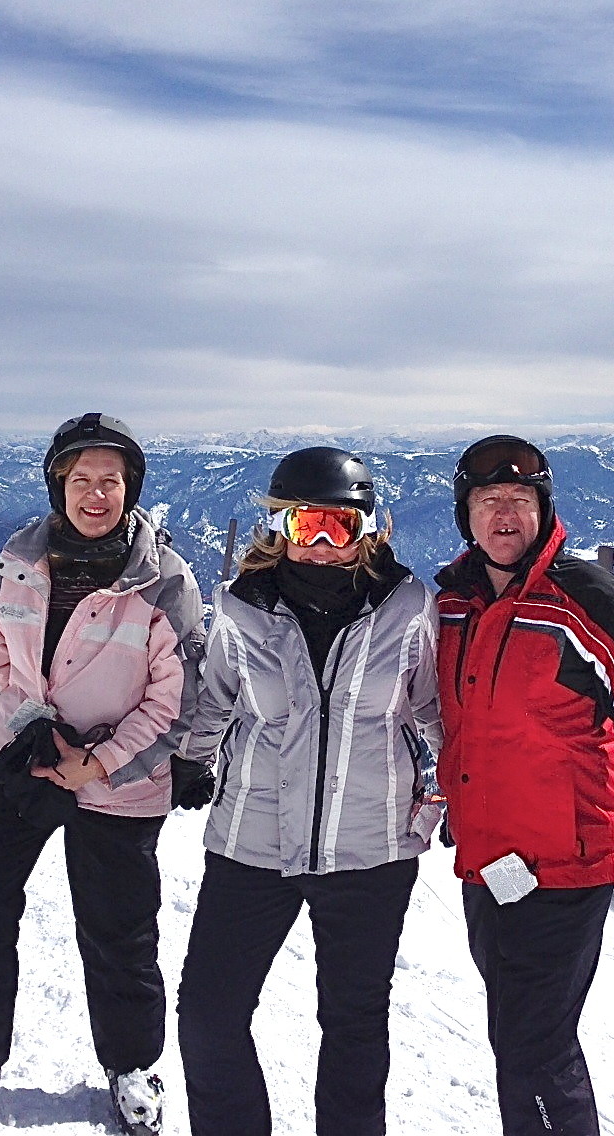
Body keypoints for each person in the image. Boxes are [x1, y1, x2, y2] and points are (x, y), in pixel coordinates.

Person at [0, 413, 206, 1136]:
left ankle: (132, 1066)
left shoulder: (164, 581)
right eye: (81, 480)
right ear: (57, 486)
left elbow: (180, 699)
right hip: (24, 763)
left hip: (120, 779)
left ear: (130, 489)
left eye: (111, 481)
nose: (95, 495)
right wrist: (35, 720)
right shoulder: (15, 559)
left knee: (119, 930)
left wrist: (96, 758)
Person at [432, 435, 614, 1136]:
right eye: (488, 501)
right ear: (465, 515)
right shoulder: (453, 606)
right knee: (518, 1041)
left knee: (534, 1048)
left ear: (543, 510)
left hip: (566, 866)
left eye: (519, 500)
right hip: (487, 865)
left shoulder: (584, 599)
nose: (504, 515)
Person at [173, 447, 442, 1136]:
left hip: (371, 847)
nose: (321, 546)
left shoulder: (407, 607)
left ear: (367, 529)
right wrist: (193, 761)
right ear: (279, 528)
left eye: (338, 528)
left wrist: (462, 792)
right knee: (209, 1013)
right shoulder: (241, 607)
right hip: (252, 840)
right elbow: (216, 697)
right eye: (305, 527)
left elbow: (433, 708)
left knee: (353, 1026)